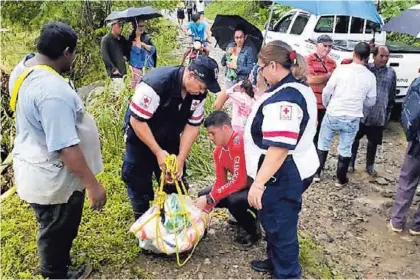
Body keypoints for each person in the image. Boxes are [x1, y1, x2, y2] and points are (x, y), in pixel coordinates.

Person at [8, 22, 106, 279]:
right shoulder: (52, 91)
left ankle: (58, 263)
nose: (72, 59)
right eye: (72, 54)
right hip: (51, 177)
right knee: (56, 227)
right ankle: (55, 273)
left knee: (52, 224)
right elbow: (66, 146)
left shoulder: (23, 68)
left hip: (33, 160)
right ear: (65, 52)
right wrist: (93, 185)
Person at [245, 40, 319, 279]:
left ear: (274, 66)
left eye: (261, 67)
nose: (260, 72)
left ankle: (287, 273)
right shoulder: (291, 87)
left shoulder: (285, 99)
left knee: (281, 223)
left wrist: (258, 183)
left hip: (283, 171)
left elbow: (279, 147)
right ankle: (276, 260)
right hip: (285, 168)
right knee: (273, 220)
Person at [122, 56, 221, 220]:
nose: (203, 92)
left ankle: (172, 223)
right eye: (202, 87)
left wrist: (181, 158)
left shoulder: (197, 94)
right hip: (140, 136)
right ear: (190, 75)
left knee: (175, 179)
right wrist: (157, 152)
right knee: (138, 182)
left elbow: (192, 126)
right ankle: (144, 229)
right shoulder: (156, 85)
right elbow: (137, 121)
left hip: (169, 136)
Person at [194, 111, 261, 247]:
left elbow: (239, 181)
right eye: (208, 134)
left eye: (213, 133)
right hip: (243, 186)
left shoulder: (239, 142)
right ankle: (242, 218)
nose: (210, 138)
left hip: (258, 187)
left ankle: (253, 230)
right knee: (202, 194)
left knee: (233, 200)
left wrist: (210, 199)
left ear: (225, 128)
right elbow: (221, 182)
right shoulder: (218, 151)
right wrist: (206, 204)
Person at [315, 42, 377, 186]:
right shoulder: (370, 76)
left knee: (323, 142)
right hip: (353, 115)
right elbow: (371, 101)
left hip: (334, 111)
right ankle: (340, 178)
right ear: (368, 57)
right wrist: (360, 102)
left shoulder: (341, 69)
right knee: (345, 147)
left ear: (353, 54)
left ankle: (317, 173)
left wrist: (327, 104)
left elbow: (327, 90)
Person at [349, 46, 396, 176]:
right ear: (374, 56)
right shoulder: (365, 69)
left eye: (387, 56)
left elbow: (391, 94)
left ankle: (369, 165)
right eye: (381, 56)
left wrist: (388, 113)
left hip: (378, 114)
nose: (384, 59)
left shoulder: (391, 72)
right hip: (361, 112)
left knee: (373, 142)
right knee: (354, 139)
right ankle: (350, 163)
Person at [389, 77, 420, 236]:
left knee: (407, 180)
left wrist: (410, 135)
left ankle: (397, 221)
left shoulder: (418, 82)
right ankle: (417, 226)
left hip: (417, 142)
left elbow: (409, 110)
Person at [305, 35, 337, 145]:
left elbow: (335, 82)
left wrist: (321, 79)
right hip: (311, 103)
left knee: (321, 136)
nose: (327, 49)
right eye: (325, 46)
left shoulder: (332, 62)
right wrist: (327, 76)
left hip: (325, 104)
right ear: (317, 45)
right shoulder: (308, 60)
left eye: (329, 46)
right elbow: (310, 79)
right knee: (308, 134)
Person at [221, 24, 255, 89]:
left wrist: (236, 67)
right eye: (237, 37)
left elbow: (250, 69)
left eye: (241, 37)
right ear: (234, 37)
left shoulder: (248, 51)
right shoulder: (230, 46)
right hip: (229, 79)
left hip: (240, 82)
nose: (239, 40)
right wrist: (227, 53)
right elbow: (222, 63)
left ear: (245, 37)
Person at [128, 20, 156, 89]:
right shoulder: (131, 38)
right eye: (140, 26)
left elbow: (153, 50)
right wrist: (138, 37)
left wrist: (143, 44)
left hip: (148, 67)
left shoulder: (147, 37)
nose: (142, 28)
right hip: (138, 69)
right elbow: (137, 51)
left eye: (143, 26)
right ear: (135, 27)